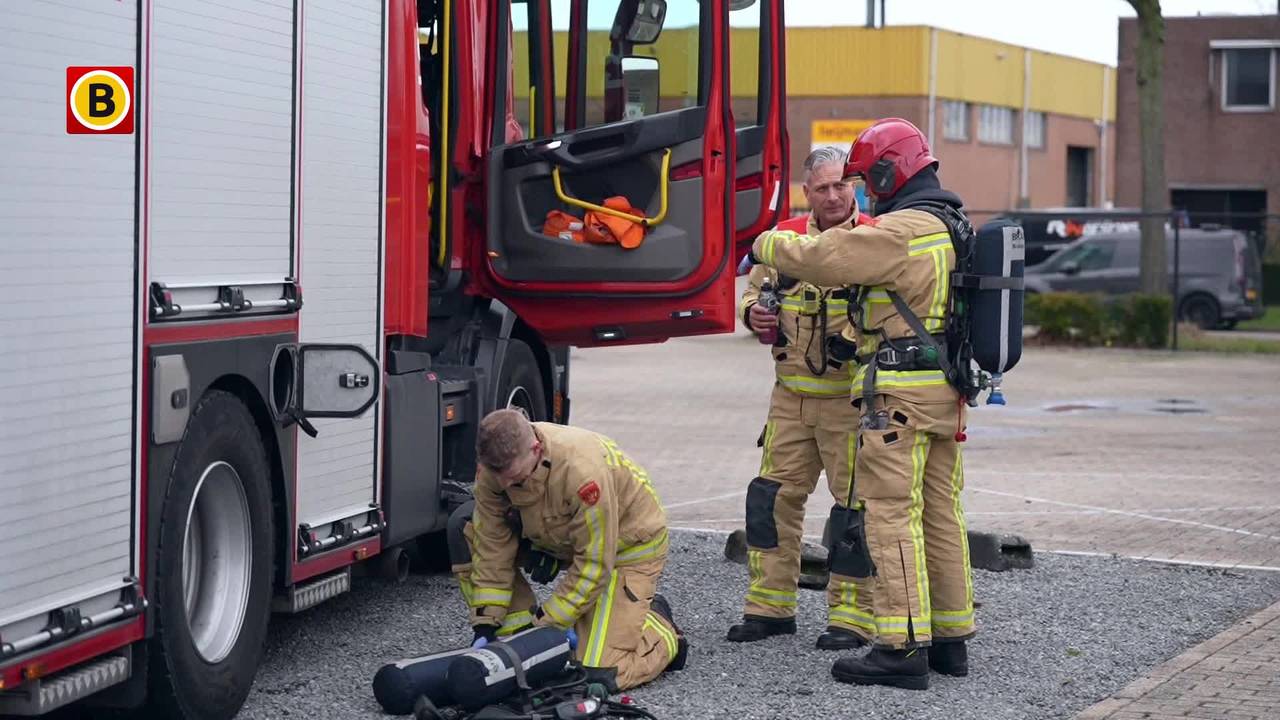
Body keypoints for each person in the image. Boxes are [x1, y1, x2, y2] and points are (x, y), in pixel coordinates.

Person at [748, 118, 976, 690]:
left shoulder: (899, 229)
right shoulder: (952, 224)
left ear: (887, 170)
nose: (862, 192)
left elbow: (830, 260)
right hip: (943, 392)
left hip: (897, 398)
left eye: (863, 180)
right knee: (941, 516)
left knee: (889, 516)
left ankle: (899, 648)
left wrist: (768, 241)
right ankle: (950, 639)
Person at [728, 146, 877, 651]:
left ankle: (852, 616)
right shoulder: (783, 239)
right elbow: (751, 293)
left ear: (853, 186)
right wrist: (754, 316)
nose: (833, 196)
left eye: (841, 185)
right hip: (789, 398)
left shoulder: (877, 238)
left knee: (855, 511)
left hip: (851, 403)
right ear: (806, 192)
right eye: (822, 188)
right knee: (771, 502)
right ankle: (770, 607)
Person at [447, 409, 687, 692]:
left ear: (536, 450)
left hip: (625, 550)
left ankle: (662, 629)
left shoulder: (583, 473)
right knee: (464, 527)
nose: (505, 487)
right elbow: (491, 545)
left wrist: (549, 624)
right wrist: (486, 622)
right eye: (499, 478)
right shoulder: (496, 471)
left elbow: (594, 565)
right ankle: (516, 633)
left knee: (598, 672)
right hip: (565, 538)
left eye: (516, 480)